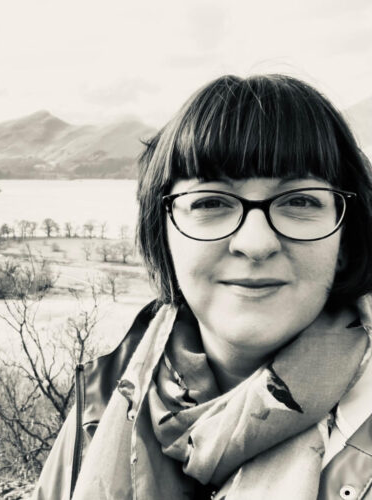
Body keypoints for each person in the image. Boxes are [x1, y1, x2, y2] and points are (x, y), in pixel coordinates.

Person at [33, 74, 372, 500]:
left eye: (300, 201)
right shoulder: (103, 403)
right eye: (210, 202)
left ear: (346, 240)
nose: (254, 243)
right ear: (165, 234)